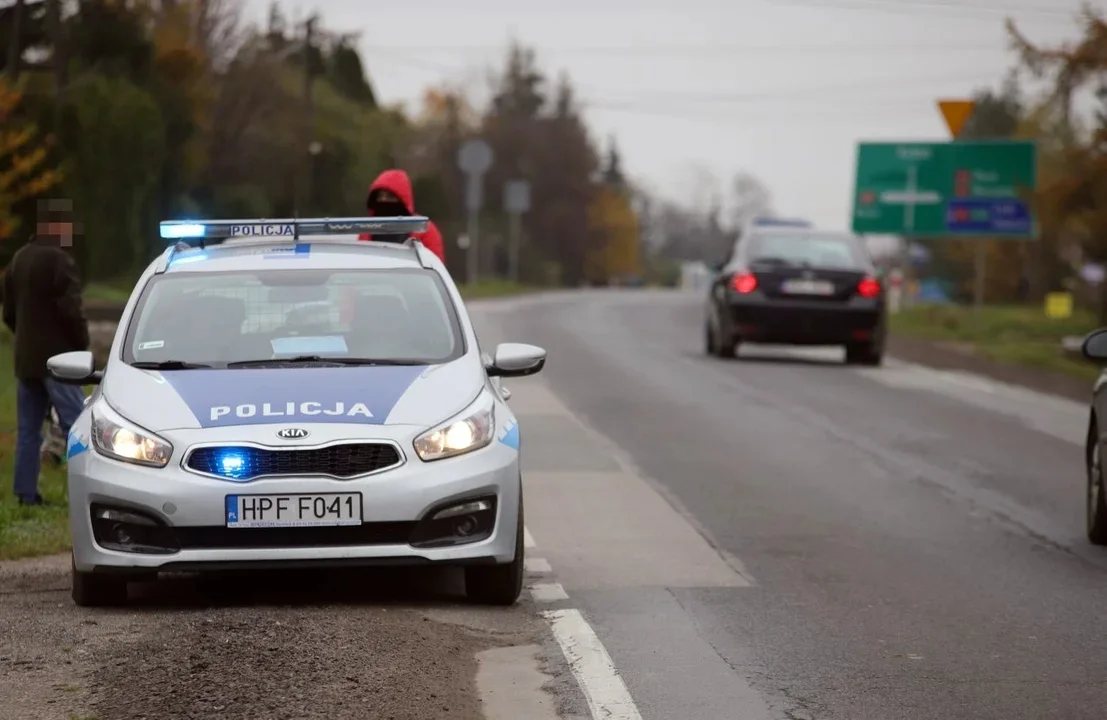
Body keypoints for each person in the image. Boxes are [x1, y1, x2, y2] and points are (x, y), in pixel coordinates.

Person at [2, 200, 89, 505]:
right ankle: (90, 491)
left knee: (28, 431)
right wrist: (81, 347)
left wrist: (26, 338)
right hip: (59, 361)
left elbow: (8, 313)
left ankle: (26, 494)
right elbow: (71, 311)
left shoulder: (18, 260)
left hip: (26, 361)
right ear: (57, 227)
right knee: (79, 427)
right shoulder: (59, 261)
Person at [358, 169, 446, 262]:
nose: (383, 200)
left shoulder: (423, 229)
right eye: (379, 196)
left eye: (390, 196)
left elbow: (434, 265)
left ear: (402, 199)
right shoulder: (367, 230)